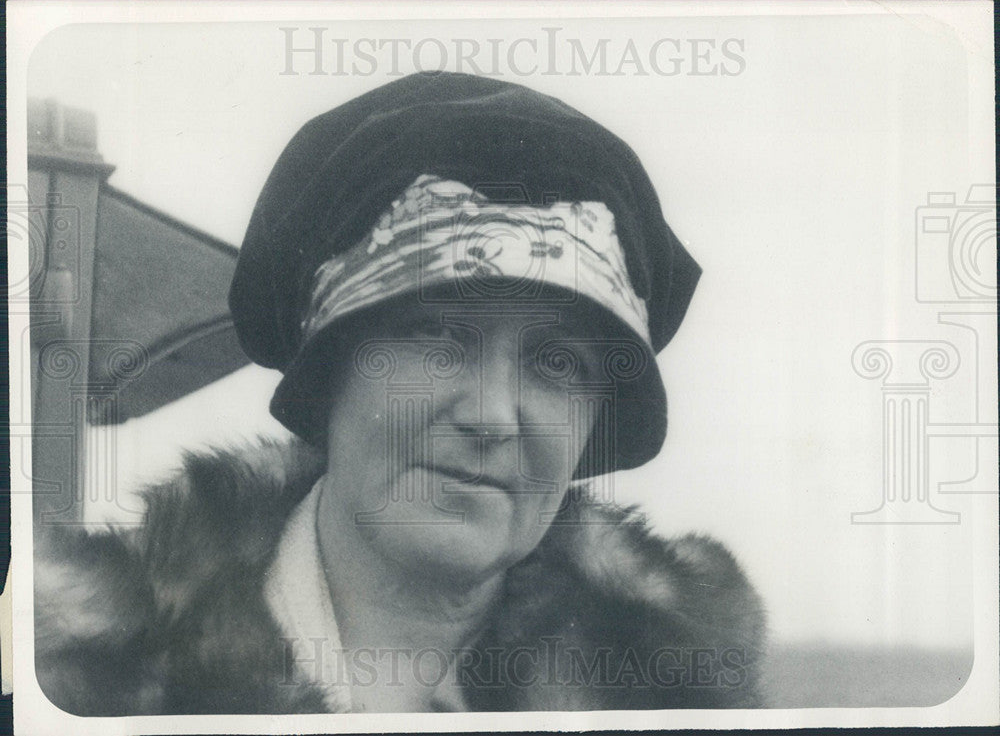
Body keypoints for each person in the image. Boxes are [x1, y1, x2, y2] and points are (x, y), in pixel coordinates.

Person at [34, 72, 766, 715]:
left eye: (556, 362)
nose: (490, 414)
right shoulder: (83, 675)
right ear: (328, 381)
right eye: (438, 339)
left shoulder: (670, 690)